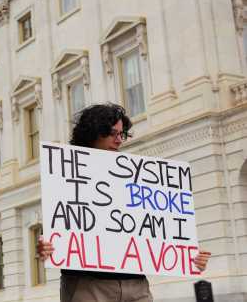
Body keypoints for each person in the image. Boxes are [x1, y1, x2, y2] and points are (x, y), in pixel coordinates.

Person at [38, 103, 211, 302]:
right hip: (89, 287)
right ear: (93, 133)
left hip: (137, 286)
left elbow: (155, 226)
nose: (119, 139)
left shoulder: (137, 175)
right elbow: (59, 224)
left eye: (122, 134)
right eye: (112, 133)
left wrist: (188, 255)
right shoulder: (65, 170)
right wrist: (46, 246)